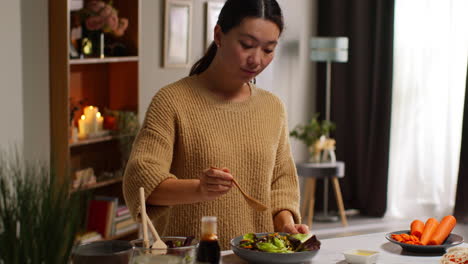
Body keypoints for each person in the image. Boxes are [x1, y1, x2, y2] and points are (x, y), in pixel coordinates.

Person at [123, 0, 309, 250]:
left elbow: (281, 185)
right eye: (247, 45)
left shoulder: (272, 107)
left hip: (255, 257)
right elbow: (141, 183)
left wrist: (285, 223)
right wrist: (199, 189)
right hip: (188, 257)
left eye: (268, 50)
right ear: (219, 35)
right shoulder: (172, 101)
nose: (256, 60)